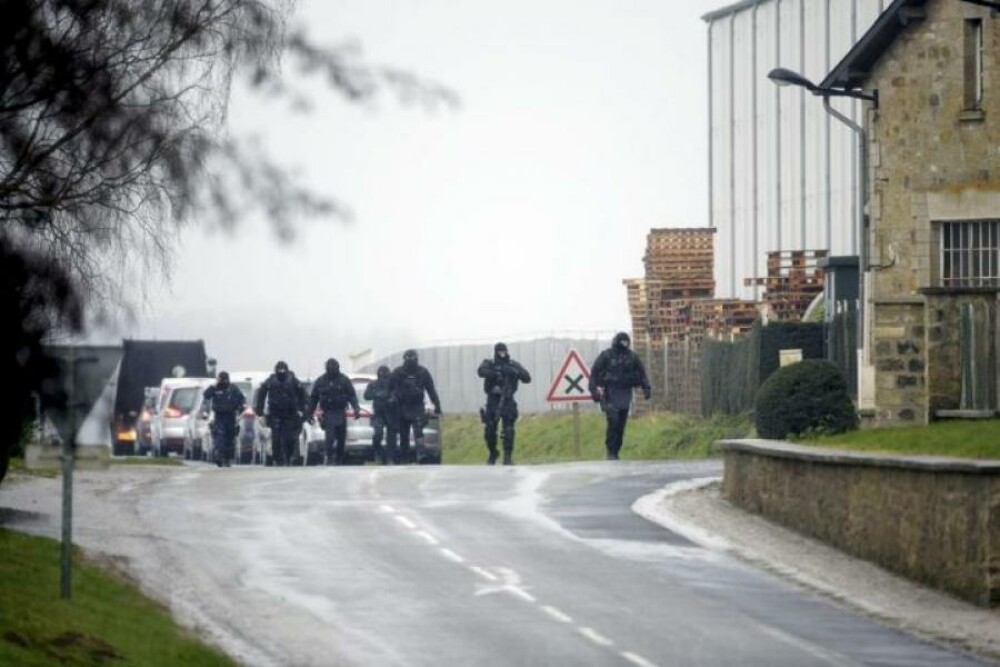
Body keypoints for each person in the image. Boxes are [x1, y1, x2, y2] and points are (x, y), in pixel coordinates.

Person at [588, 332, 652, 461]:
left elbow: (641, 372)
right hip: (610, 393)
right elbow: (594, 374)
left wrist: (646, 388)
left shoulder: (632, 357)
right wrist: (594, 391)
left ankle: (616, 450)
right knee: (613, 421)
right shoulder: (606, 356)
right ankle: (611, 451)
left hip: (625, 394)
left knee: (621, 424)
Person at [477, 342, 530, 465]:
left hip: (507, 400)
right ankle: (493, 453)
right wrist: (495, 373)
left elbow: (527, 378)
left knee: (508, 430)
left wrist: (514, 372)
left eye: (504, 351)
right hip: (492, 400)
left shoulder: (512, 364)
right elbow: (480, 371)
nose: (502, 354)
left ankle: (507, 456)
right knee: (490, 430)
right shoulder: (489, 363)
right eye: (499, 351)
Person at [389, 349, 441, 464]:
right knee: (404, 433)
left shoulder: (422, 372)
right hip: (402, 406)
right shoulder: (398, 372)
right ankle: (405, 457)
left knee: (418, 430)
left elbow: (431, 390)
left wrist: (437, 405)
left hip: (417, 406)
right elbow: (390, 388)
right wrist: (392, 400)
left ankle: (420, 454)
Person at [306, 358, 360, 466]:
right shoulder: (321, 381)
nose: (331, 369)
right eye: (329, 366)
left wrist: (356, 408)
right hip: (328, 413)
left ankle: (339, 458)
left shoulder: (344, 380)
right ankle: (329, 457)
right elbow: (314, 398)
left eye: (333, 366)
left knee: (341, 437)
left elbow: (352, 395)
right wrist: (309, 414)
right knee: (329, 437)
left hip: (340, 412)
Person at [255, 360, 308, 466]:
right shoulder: (271, 380)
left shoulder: (293, 380)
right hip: (275, 414)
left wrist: (303, 410)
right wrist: (259, 411)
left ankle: (288, 456)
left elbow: (303, 395)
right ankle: (277, 458)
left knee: (290, 437)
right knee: (276, 438)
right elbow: (261, 393)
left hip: (290, 414)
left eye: (283, 370)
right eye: (280, 370)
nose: (281, 372)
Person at [203, 371, 247, 467]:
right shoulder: (215, 388)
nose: (223, 382)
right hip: (219, 416)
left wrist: (242, 406)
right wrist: (214, 385)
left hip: (231, 416)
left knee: (230, 438)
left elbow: (241, 399)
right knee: (219, 437)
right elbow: (206, 395)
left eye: (225, 380)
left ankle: (228, 458)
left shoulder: (233, 388)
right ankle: (219, 456)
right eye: (221, 380)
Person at [364, 365, 399, 465]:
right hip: (379, 413)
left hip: (391, 413)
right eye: (382, 376)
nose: (384, 378)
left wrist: (392, 399)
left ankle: (390, 457)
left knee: (391, 438)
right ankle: (378, 453)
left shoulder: (394, 385)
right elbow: (366, 396)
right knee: (377, 434)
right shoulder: (373, 384)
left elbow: (399, 395)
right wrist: (377, 394)